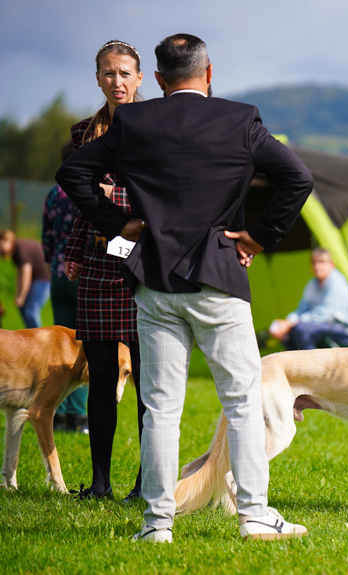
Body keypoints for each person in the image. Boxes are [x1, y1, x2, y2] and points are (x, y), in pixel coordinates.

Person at [57, 33, 314, 543]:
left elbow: (73, 172)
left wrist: (115, 224)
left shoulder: (132, 121)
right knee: (242, 401)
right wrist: (259, 237)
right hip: (220, 278)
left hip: (154, 281)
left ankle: (157, 525)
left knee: (161, 408)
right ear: (209, 73)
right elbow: (298, 179)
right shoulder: (241, 119)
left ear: (156, 80)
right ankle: (255, 515)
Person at [62, 40, 147, 502]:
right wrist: (74, 249)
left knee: (148, 384)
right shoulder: (82, 134)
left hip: (144, 262)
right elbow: (80, 203)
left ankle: (145, 483)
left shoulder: (156, 126)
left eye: (125, 73)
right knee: (99, 379)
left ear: (140, 78)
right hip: (97, 262)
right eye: (109, 73)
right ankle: (99, 484)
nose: (117, 81)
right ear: (98, 78)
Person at [42, 140, 88, 434]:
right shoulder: (86, 188)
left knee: (60, 347)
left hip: (58, 277)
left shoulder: (53, 193)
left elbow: (46, 237)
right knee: (85, 347)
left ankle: (55, 411)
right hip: (84, 274)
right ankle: (78, 415)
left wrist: (53, 261)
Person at [268, 247, 348, 350]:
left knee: (301, 329)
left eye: (322, 262)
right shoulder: (312, 284)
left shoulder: (336, 282)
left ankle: (312, 364)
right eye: (314, 263)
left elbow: (323, 314)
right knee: (287, 334)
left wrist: (290, 324)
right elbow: (302, 308)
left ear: (332, 264)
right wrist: (286, 322)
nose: (317, 266)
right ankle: (298, 364)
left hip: (345, 330)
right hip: (324, 325)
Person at [0, 230, 50, 328]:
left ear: (7, 241)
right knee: (23, 308)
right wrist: (18, 294)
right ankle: (31, 334)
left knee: (30, 311)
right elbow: (20, 274)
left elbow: (26, 273)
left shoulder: (20, 248)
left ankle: (38, 339)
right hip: (35, 280)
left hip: (43, 280)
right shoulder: (15, 252)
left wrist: (22, 296)